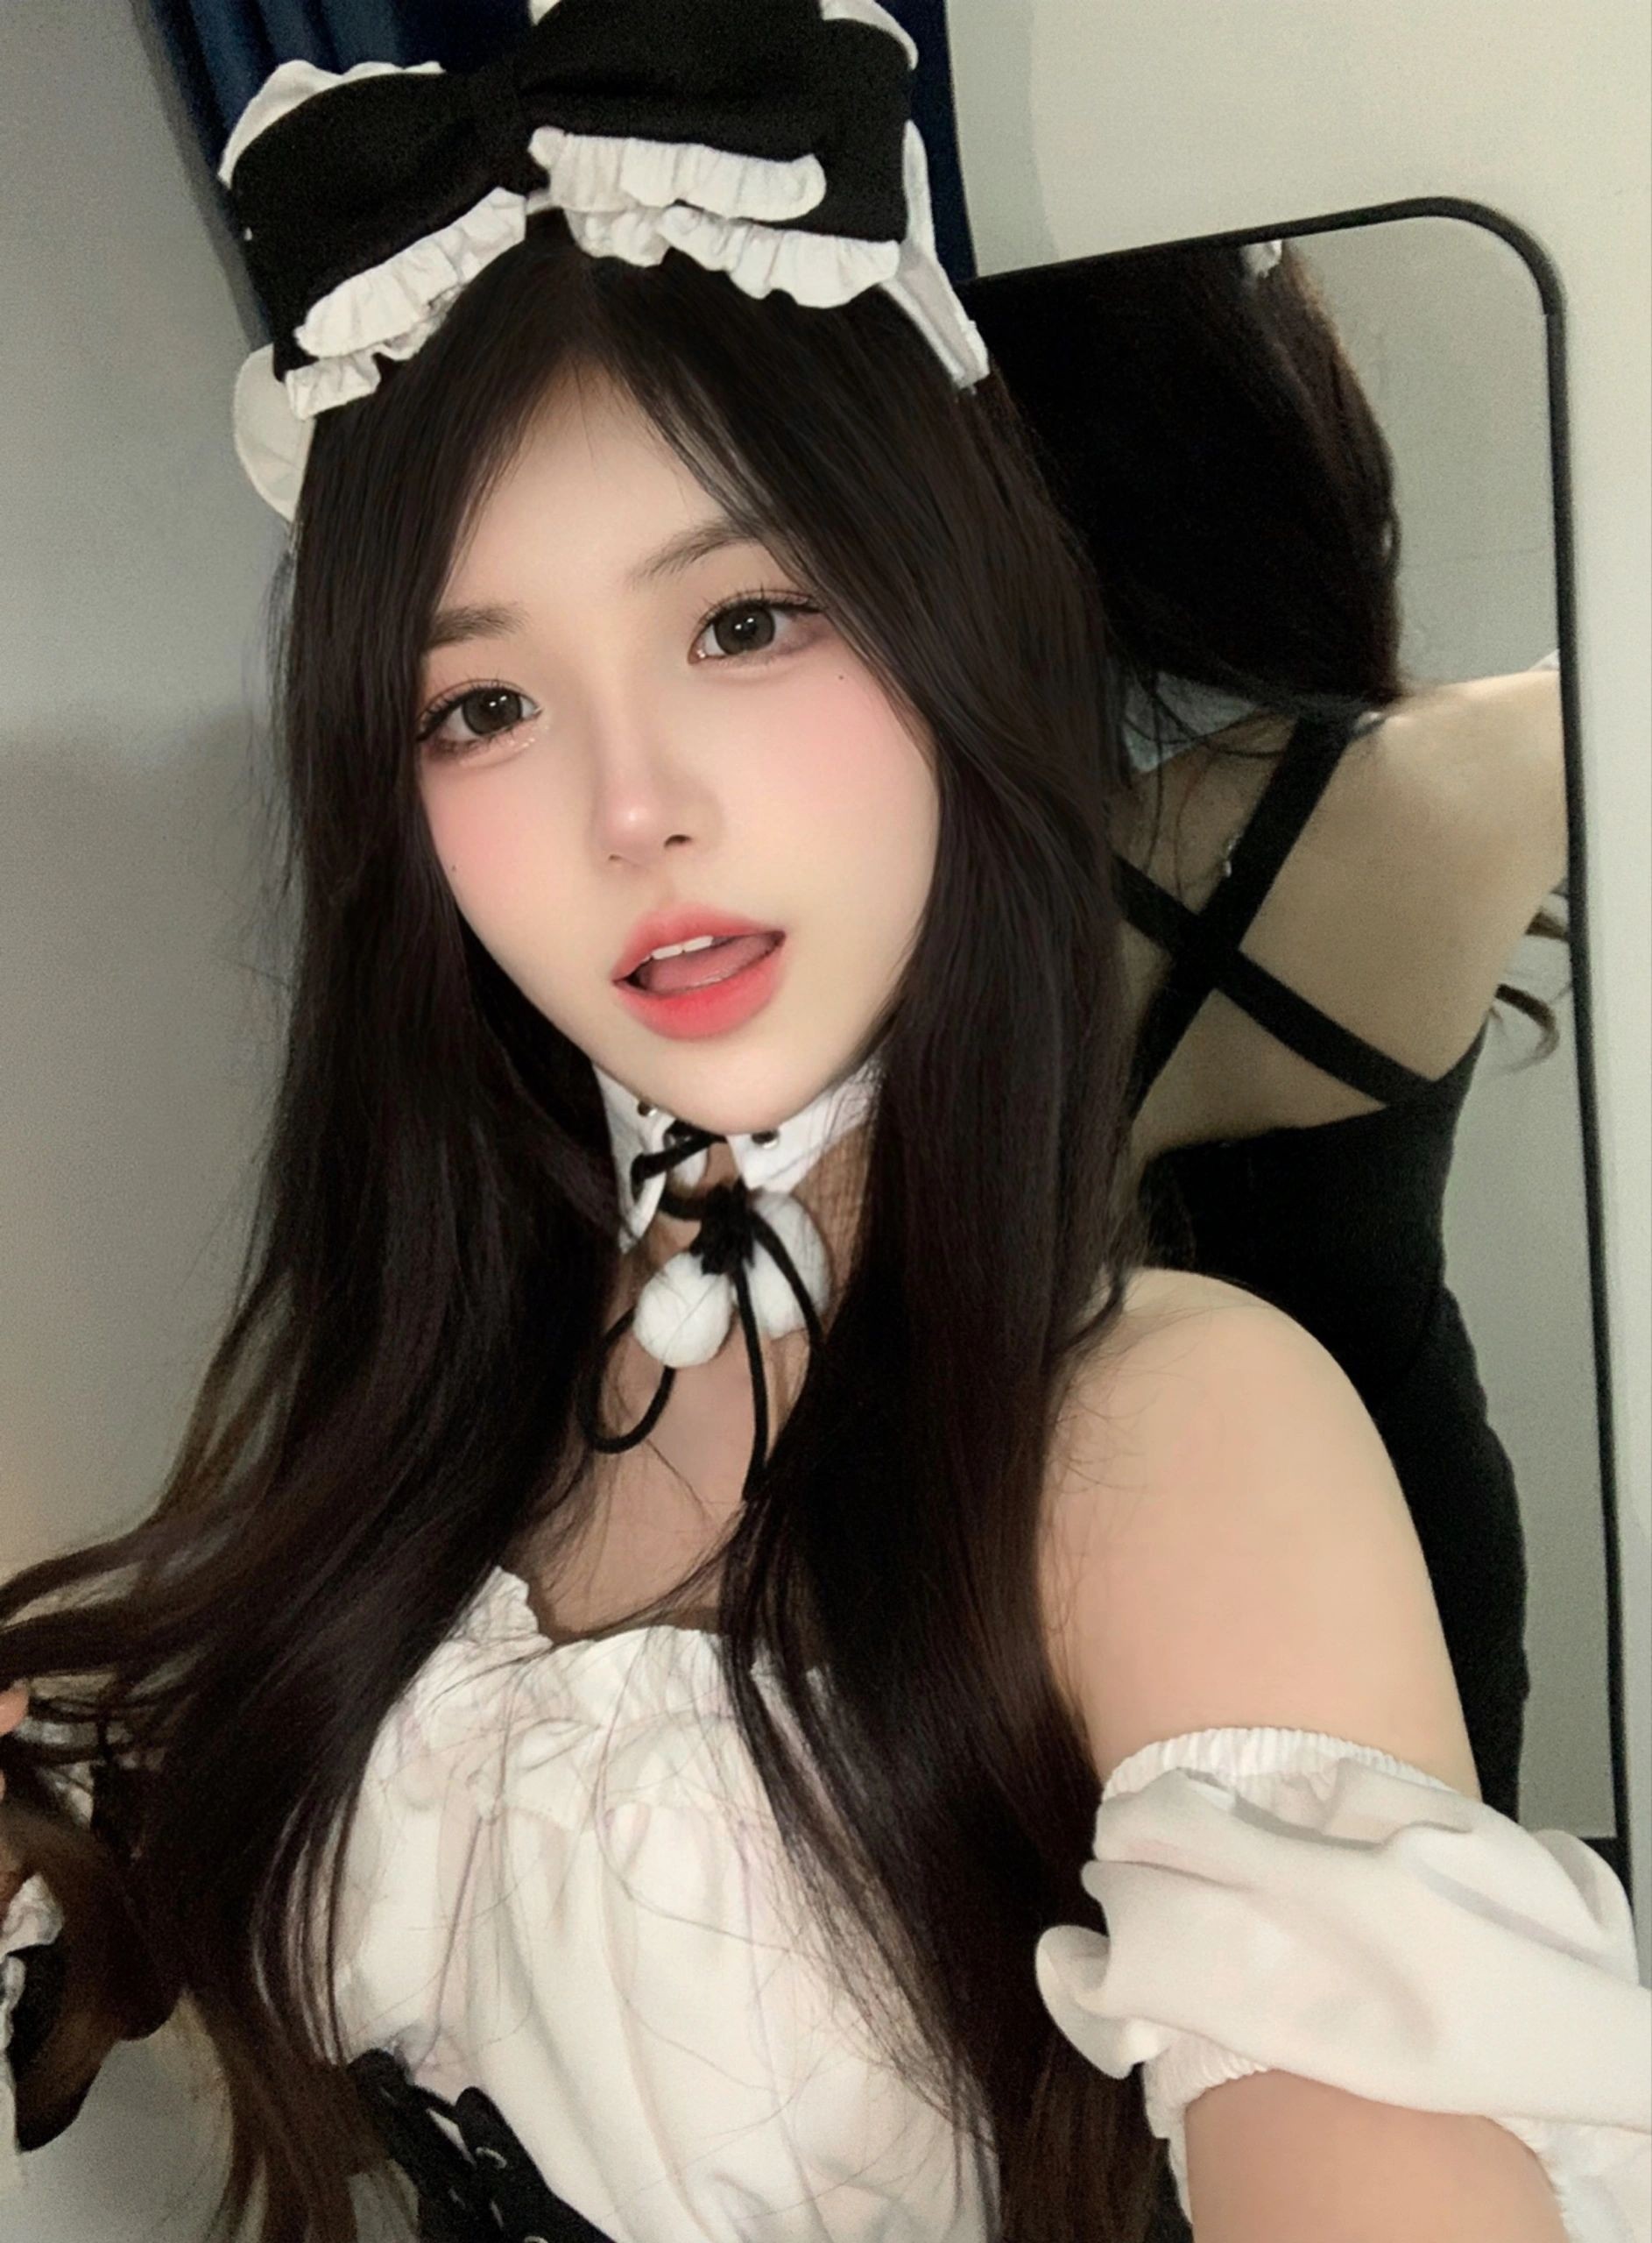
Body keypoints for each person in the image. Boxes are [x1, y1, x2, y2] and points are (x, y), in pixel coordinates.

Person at [0, 8, 1644, 2242]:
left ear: (965, 625)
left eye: (746, 618)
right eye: (482, 701)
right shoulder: (473, 1345)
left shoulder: (1162, 1441)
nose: (630, 808)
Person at [964, 238, 1570, 1826]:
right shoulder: (1500, 768)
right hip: (1405, 1533)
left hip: (1069, 1576)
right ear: (1270, 441)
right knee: (1436, 1944)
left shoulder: (920, 900)